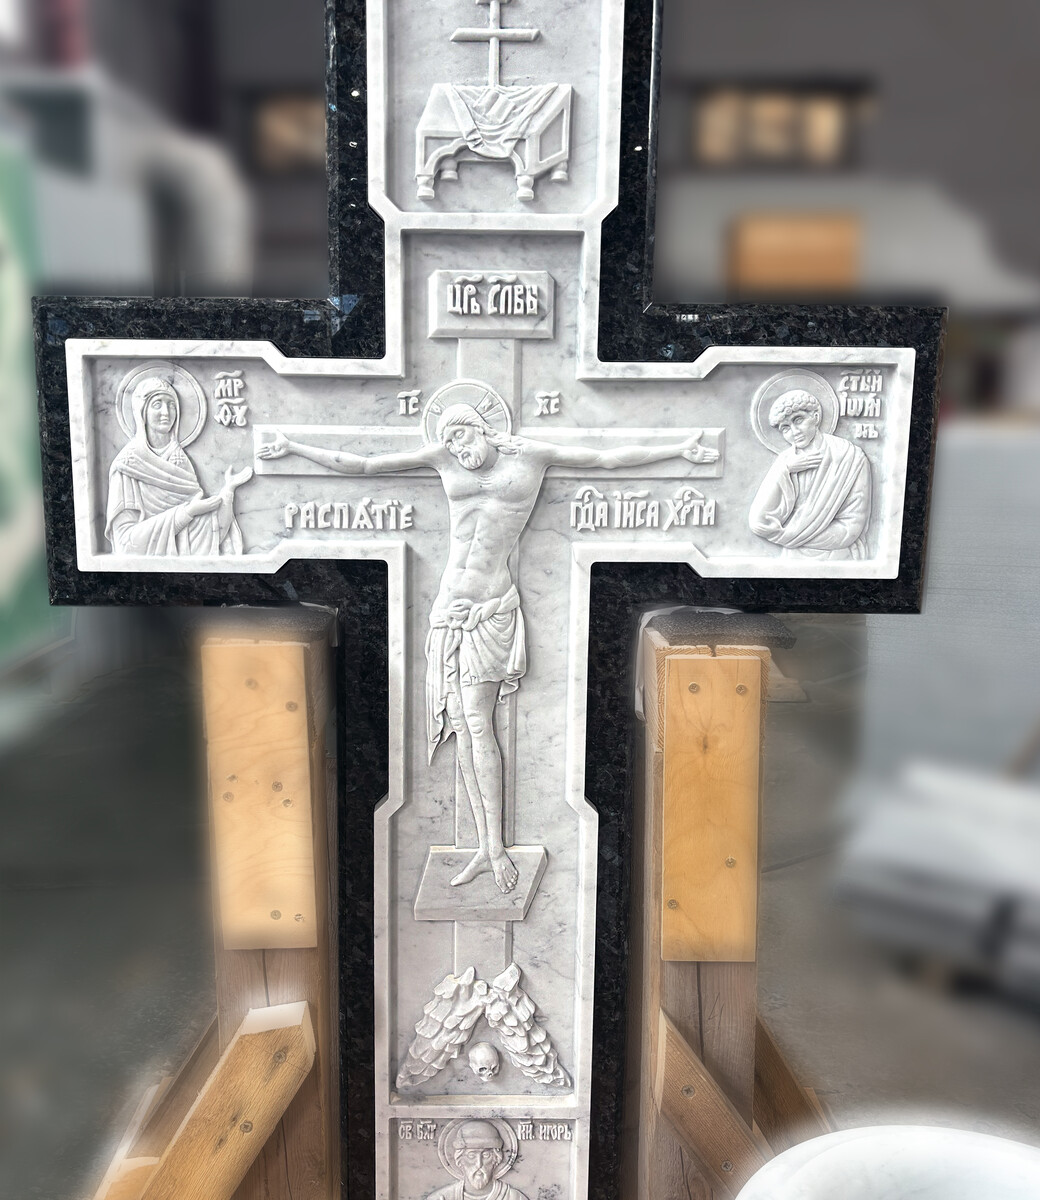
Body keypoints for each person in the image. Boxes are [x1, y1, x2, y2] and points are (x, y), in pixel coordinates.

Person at [258, 402, 717, 893]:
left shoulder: (529, 457)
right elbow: (367, 465)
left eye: (461, 437)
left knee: (479, 725)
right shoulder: (444, 458)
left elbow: (604, 459)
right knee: (461, 726)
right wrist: (293, 447)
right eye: (448, 441)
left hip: (490, 612)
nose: (456, 449)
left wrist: (679, 449)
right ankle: (484, 846)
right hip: (447, 612)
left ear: (481, 429)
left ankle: (495, 848)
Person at [105, 375, 252, 556]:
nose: (166, 412)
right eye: (157, 404)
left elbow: (211, 531)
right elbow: (125, 544)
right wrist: (185, 513)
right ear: (142, 412)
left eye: (172, 405)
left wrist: (228, 492)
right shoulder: (126, 466)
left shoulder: (180, 461)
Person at [748, 389, 870, 560]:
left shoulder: (850, 457)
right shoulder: (785, 461)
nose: (794, 431)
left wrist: (794, 537)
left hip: (837, 555)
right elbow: (758, 523)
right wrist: (785, 471)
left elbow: (852, 525)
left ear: (816, 417)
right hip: (792, 557)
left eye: (798, 420)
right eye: (785, 428)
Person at [427, 1121, 529, 1200]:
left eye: (486, 1155)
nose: (479, 1164)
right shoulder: (441, 1198)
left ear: (496, 1159)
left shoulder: (514, 1198)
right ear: (460, 1160)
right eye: (471, 1156)